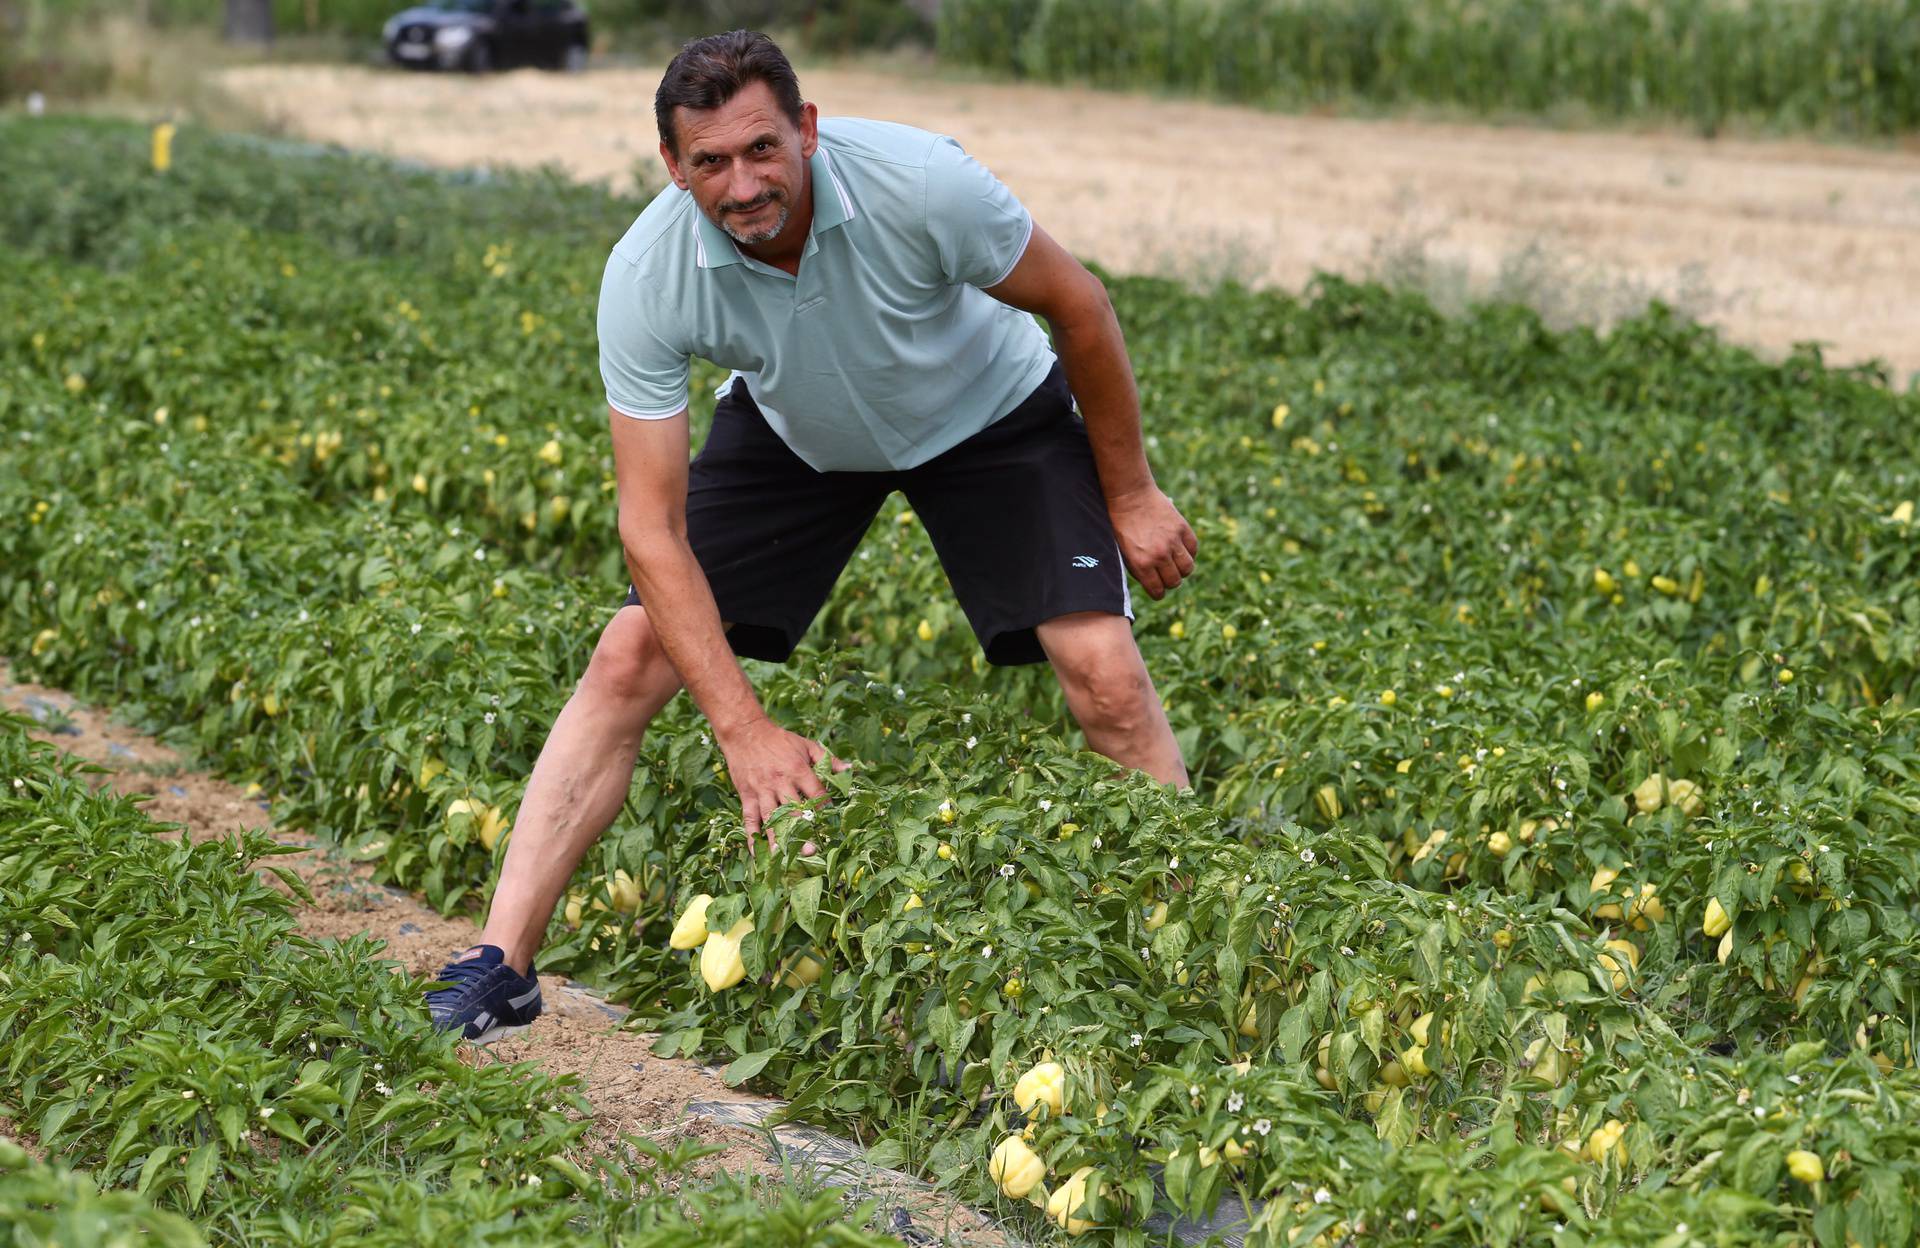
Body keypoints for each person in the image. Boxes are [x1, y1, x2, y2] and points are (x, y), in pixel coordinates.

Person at [427, 29, 1197, 1042]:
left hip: (988, 414)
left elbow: (1081, 307)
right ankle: (501, 962)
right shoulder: (650, 273)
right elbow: (649, 529)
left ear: (807, 130)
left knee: (1101, 668)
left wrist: (1132, 492)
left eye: (761, 151)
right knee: (627, 652)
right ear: (673, 167)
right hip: (801, 428)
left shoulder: (921, 184)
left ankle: (1188, 950)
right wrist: (743, 730)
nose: (742, 185)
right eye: (709, 163)